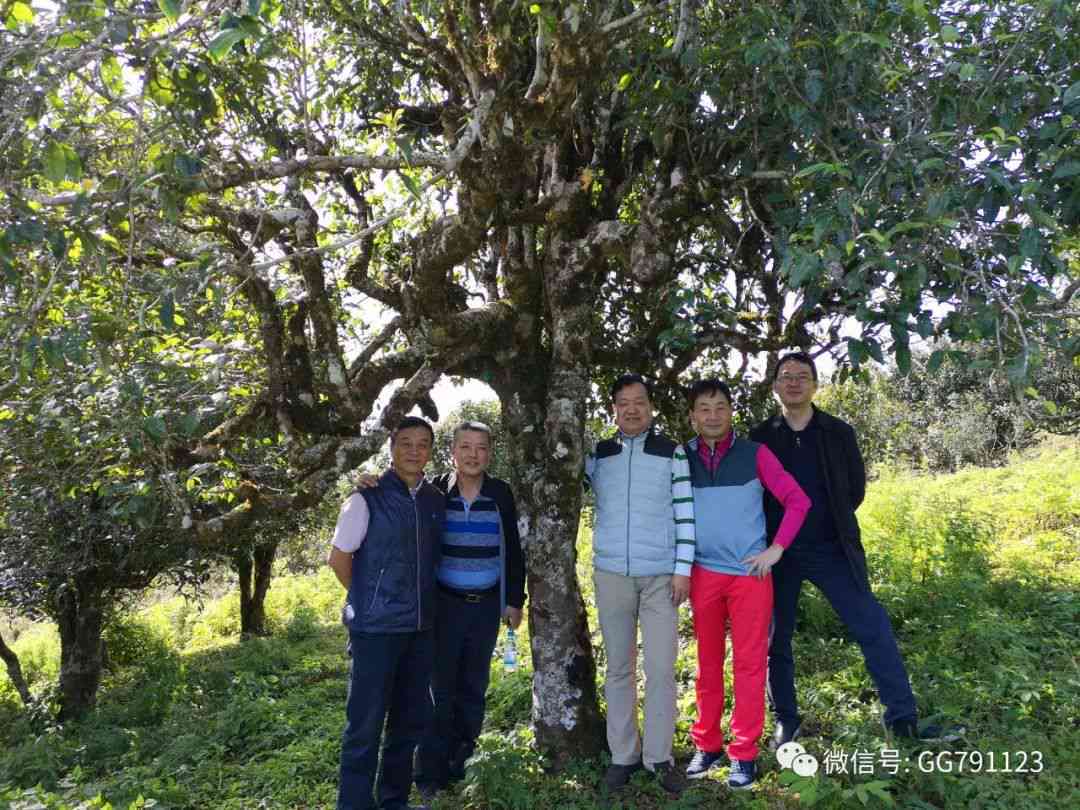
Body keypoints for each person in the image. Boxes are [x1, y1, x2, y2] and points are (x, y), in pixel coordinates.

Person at [750, 351, 925, 747]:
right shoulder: (760, 437)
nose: (793, 382)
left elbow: (854, 491)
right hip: (778, 553)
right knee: (775, 638)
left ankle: (902, 719)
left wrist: (828, 523)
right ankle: (786, 719)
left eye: (802, 376)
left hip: (833, 549)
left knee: (873, 626)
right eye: (786, 376)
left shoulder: (838, 432)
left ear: (814, 384)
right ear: (775, 385)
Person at [681, 379, 810, 789]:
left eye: (720, 407)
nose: (713, 415)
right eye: (704, 408)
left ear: (731, 412)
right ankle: (708, 744)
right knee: (706, 665)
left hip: (750, 576)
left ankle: (744, 753)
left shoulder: (756, 454)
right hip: (702, 574)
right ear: (693, 416)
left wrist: (776, 549)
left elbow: (798, 501)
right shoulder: (681, 458)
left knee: (751, 665)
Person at [585, 374, 696, 795]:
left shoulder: (673, 453)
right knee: (618, 669)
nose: (631, 410)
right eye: (622, 403)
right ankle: (623, 755)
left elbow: (685, 514)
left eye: (639, 402)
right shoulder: (599, 455)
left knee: (663, 669)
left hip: (661, 578)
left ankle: (659, 757)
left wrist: (682, 568)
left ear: (651, 407)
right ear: (613, 409)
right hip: (611, 573)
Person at [328, 416, 444, 810]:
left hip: (420, 630)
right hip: (375, 631)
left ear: (431, 450)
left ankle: (393, 801)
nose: (415, 450)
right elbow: (339, 559)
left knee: (408, 723)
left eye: (423, 443)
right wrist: (368, 598)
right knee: (365, 725)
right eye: (406, 442)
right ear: (391, 448)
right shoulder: (365, 498)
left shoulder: (433, 499)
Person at [415, 421, 526, 799]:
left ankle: (462, 763)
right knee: (437, 689)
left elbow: (513, 548)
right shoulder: (434, 492)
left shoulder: (500, 494)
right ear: (453, 453)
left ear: (489, 454)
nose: (473, 454)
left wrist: (514, 599)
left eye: (480, 448)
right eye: (465, 447)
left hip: (484, 608)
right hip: (443, 606)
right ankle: (430, 773)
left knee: (473, 688)